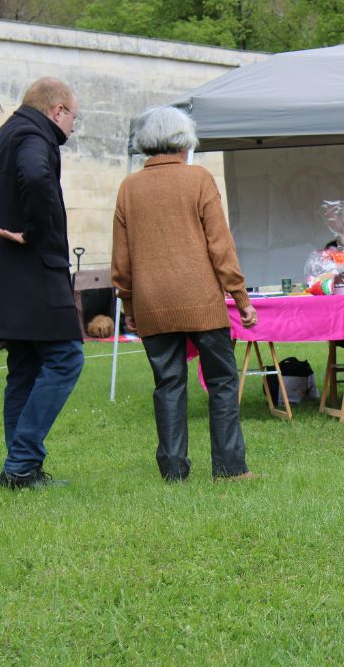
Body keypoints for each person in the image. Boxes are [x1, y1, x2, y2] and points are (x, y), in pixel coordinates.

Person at [111, 106, 257, 482]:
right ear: (184, 141)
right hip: (202, 302)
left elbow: (121, 261)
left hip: (152, 303)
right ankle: (230, 467)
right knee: (222, 381)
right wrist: (240, 297)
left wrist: (129, 306)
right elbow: (220, 246)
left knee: (168, 384)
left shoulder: (129, 187)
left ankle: (173, 470)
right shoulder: (199, 179)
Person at [0, 77, 85, 489]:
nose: (72, 126)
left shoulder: (6, 135)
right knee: (67, 358)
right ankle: (22, 463)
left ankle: (20, 469)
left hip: (8, 275)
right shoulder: (36, 137)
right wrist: (34, 233)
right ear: (57, 111)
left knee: (23, 367)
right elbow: (36, 179)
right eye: (73, 117)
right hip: (36, 273)